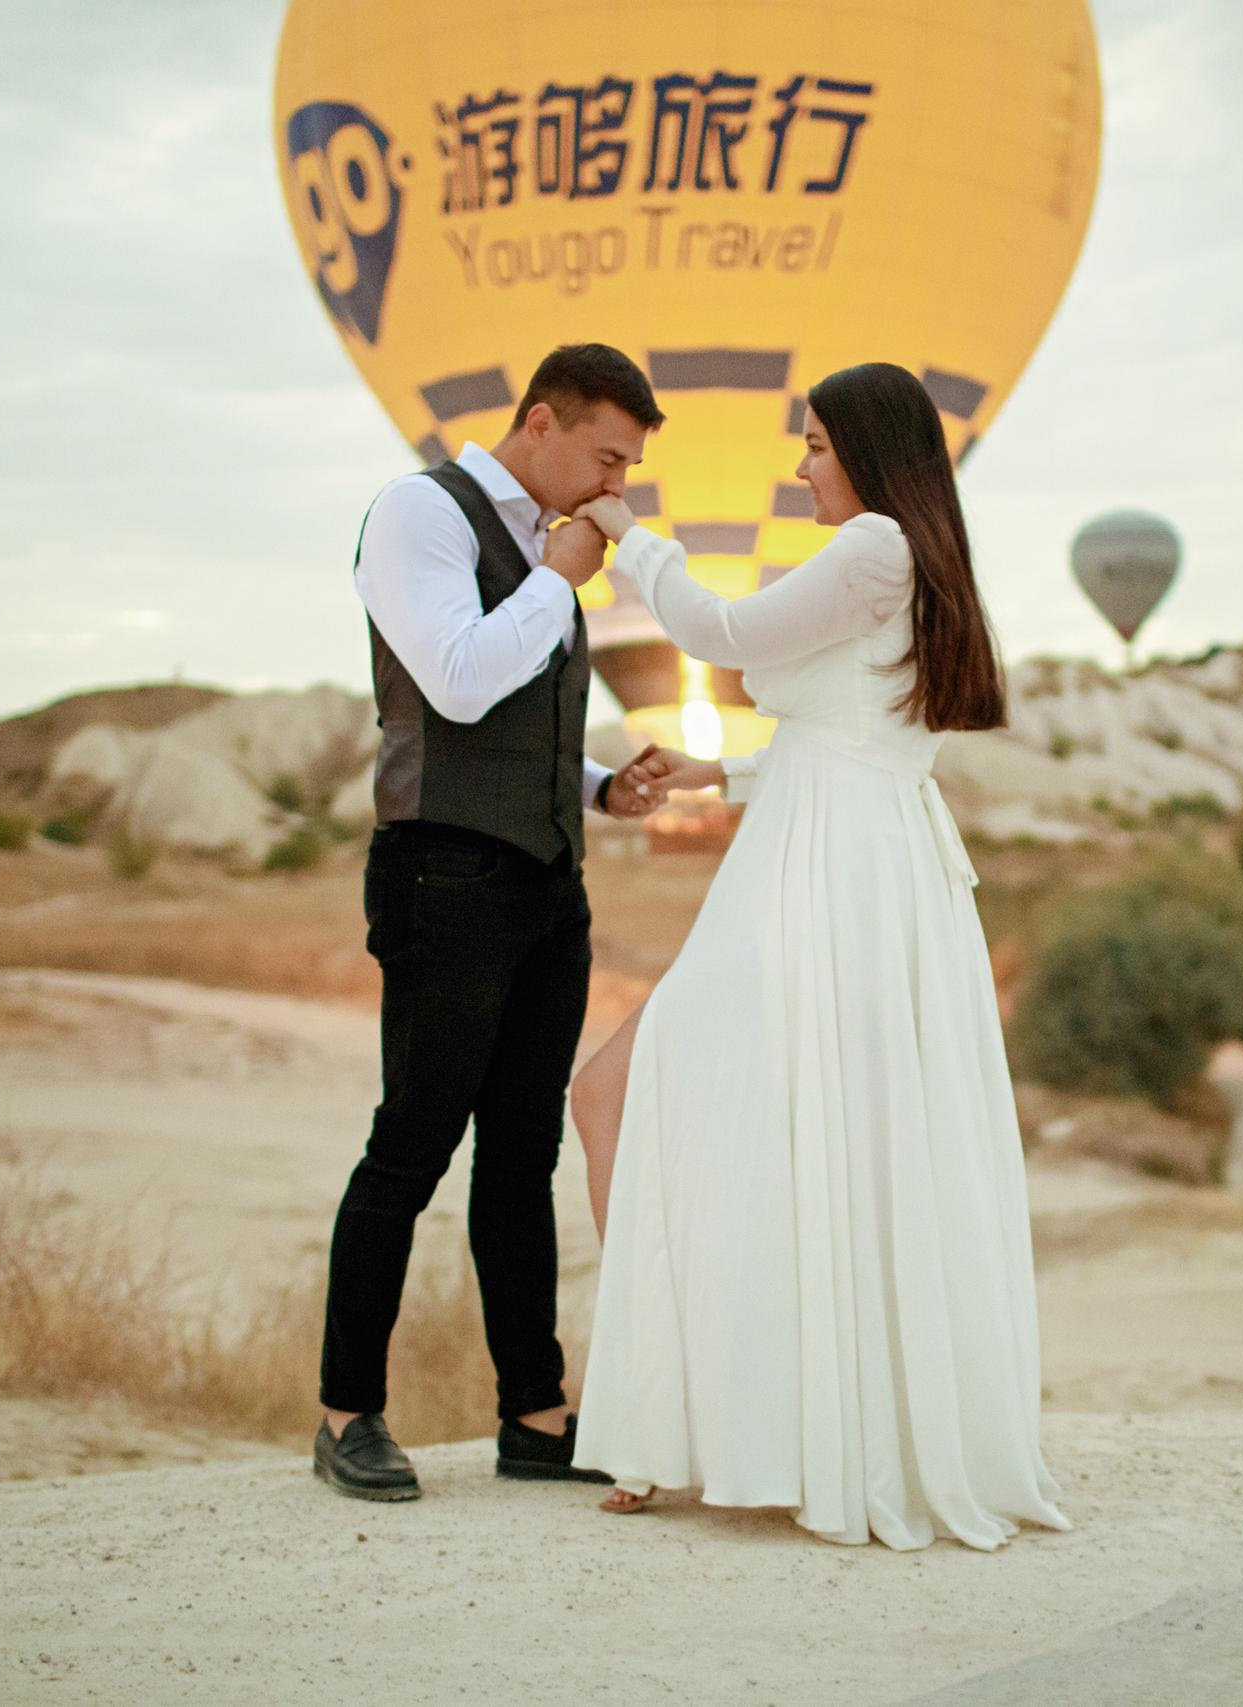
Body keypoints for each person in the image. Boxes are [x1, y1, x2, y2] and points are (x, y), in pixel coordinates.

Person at [563, 362, 1070, 1550]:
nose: (799, 468)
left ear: (868, 451)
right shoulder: (904, 560)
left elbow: (722, 635)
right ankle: (694, 1419)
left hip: (822, 879)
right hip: (838, 853)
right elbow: (854, 733)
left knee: (637, 1092)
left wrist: (630, 539)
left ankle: (670, 1422)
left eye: (815, 446)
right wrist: (716, 771)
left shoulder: (875, 547)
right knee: (769, 1126)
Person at [314, 343, 670, 1503]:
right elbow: (459, 684)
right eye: (607, 455)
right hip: (441, 878)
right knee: (412, 1145)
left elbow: (523, 726)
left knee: (523, 1158)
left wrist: (606, 786)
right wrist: (559, 579)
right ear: (540, 422)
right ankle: (346, 1415)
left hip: (545, 888)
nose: (616, 485)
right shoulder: (421, 513)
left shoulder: (543, 550)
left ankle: (535, 1415)